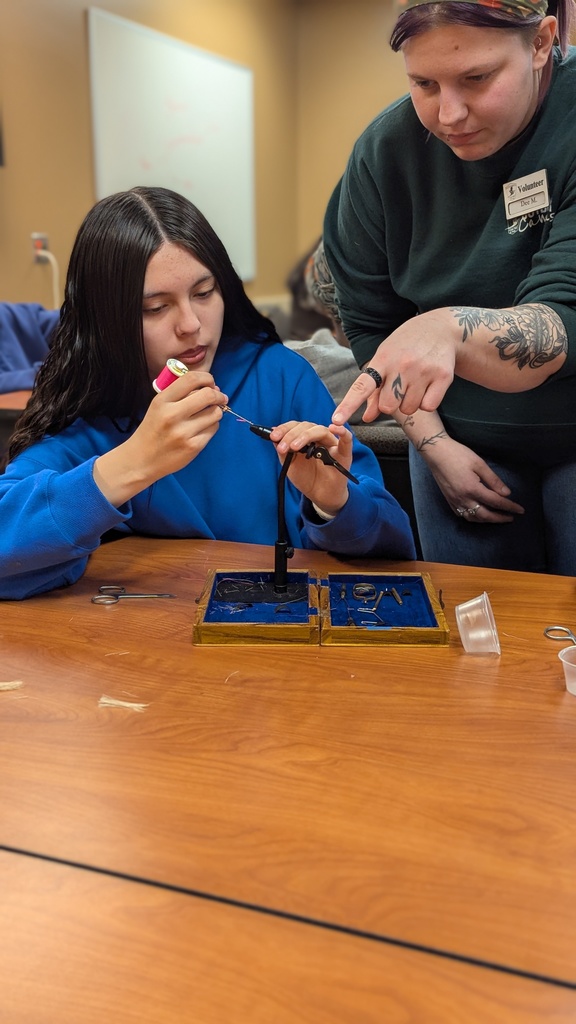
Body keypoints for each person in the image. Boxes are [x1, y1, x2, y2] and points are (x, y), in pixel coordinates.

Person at [0, 186, 415, 600]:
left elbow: (396, 549)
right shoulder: (89, 415)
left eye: (204, 293)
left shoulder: (280, 378)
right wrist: (131, 465)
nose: (191, 325)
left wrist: (334, 503)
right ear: (105, 321)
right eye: (156, 308)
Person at [324, 0, 576, 574]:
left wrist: (444, 328)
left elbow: (565, 322)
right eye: (424, 83)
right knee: (477, 637)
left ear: (541, 44)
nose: (449, 114)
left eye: (477, 79)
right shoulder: (384, 154)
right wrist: (433, 444)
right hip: (458, 438)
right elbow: (369, 322)